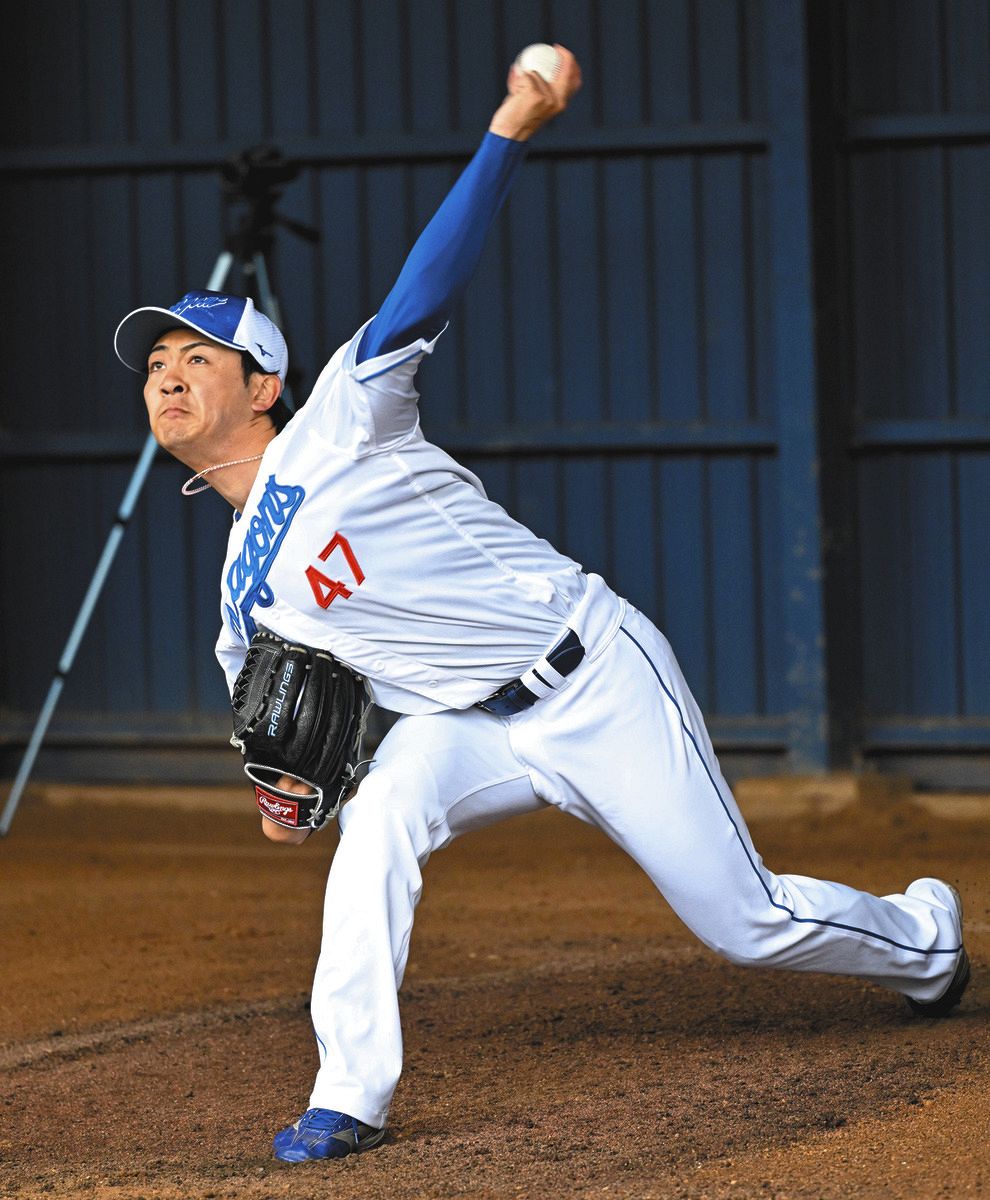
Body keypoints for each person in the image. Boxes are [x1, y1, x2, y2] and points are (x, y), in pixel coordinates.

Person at [113, 46, 969, 1166]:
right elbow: (272, 744)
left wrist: (510, 130)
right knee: (376, 823)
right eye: (155, 365)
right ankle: (348, 1096)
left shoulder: (340, 422)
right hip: (467, 727)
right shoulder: (238, 592)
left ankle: (927, 939)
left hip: (592, 675)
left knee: (744, 922)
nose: (168, 375)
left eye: (197, 356)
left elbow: (425, 287)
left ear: (264, 384)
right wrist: (280, 797)